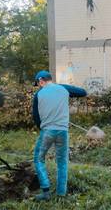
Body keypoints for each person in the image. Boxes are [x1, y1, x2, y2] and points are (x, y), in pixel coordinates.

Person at [32, 70, 87, 201]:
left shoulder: (38, 94)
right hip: (63, 131)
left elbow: (36, 117)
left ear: (41, 81)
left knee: (38, 159)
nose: (39, 86)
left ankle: (45, 191)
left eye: (38, 83)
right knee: (62, 162)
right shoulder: (63, 88)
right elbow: (83, 92)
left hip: (47, 131)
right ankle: (61, 194)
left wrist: (42, 126)